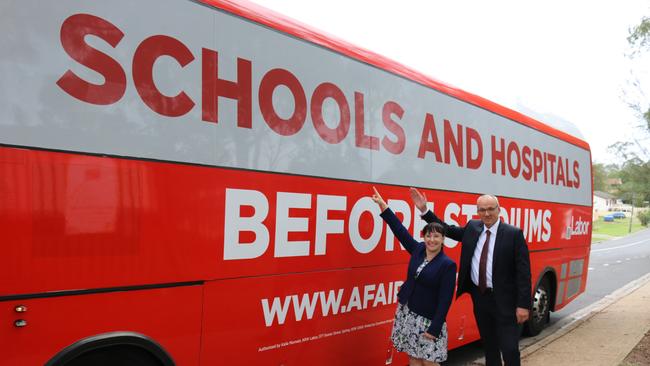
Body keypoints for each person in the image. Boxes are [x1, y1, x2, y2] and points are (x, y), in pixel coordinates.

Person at [409, 188, 531, 366]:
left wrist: (523, 305)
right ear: (477, 211)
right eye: (482, 210)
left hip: (506, 301)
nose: (487, 213)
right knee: (489, 346)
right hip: (480, 299)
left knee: (510, 348)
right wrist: (424, 211)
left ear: (499, 209)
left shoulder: (513, 234)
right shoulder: (473, 227)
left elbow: (523, 272)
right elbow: (447, 230)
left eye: (491, 208)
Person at [371, 187, 457, 366]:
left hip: (429, 319)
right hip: (408, 314)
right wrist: (383, 206)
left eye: (436, 236)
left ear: (442, 240)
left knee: (429, 362)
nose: (431, 240)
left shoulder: (447, 265)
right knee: (413, 359)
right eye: (428, 235)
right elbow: (399, 230)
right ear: (424, 237)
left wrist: (435, 328)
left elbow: (445, 299)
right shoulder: (418, 250)